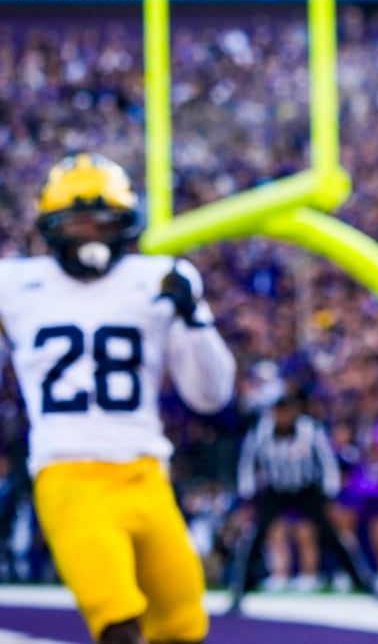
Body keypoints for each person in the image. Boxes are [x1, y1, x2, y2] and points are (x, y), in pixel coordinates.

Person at [0, 153, 236, 644]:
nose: (90, 235)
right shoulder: (16, 284)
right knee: (118, 624)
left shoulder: (158, 278)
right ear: (51, 228)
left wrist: (194, 319)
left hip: (148, 473)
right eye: (77, 222)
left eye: (103, 222)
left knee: (183, 626)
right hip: (69, 473)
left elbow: (211, 396)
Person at [228, 393, 378, 613]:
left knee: (333, 536)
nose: (282, 416)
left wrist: (329, 495)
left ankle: (364, 582)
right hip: (275, 490)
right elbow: (248, 463)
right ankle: (240, 589)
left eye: (286, 411)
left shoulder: (310, 430)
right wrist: (248, 497)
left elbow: (327, 462)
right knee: (255, 535)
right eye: (278, 411)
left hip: (307, 489)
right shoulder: (259, 433)